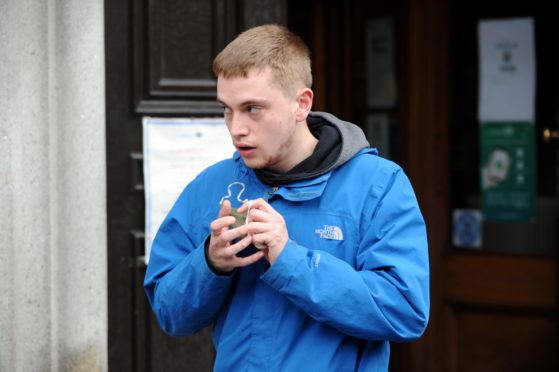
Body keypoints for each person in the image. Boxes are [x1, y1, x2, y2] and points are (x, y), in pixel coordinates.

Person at [144, 24, 429, 371]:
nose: (236, 128)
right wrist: (209, 262)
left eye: (253, 109)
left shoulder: (378, 185)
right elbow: (170, 315)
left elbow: (404, 312)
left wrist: (290, 260)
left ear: (301, 104)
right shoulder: (211, 185)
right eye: (227, 109)